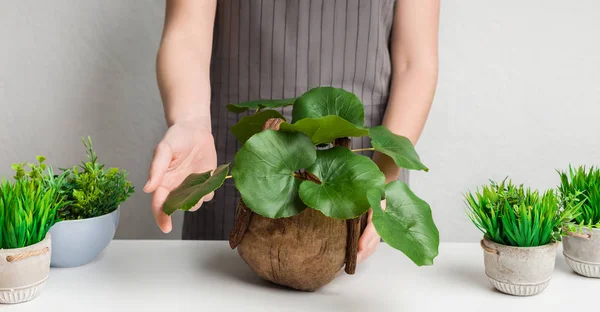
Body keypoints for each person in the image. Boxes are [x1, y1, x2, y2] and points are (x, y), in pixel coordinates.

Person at [144, 0, 439, 264]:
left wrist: (382, 177)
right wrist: (190, 120)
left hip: (362, 173)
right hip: (238, 165)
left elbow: (415, 61)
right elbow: (186, 32)